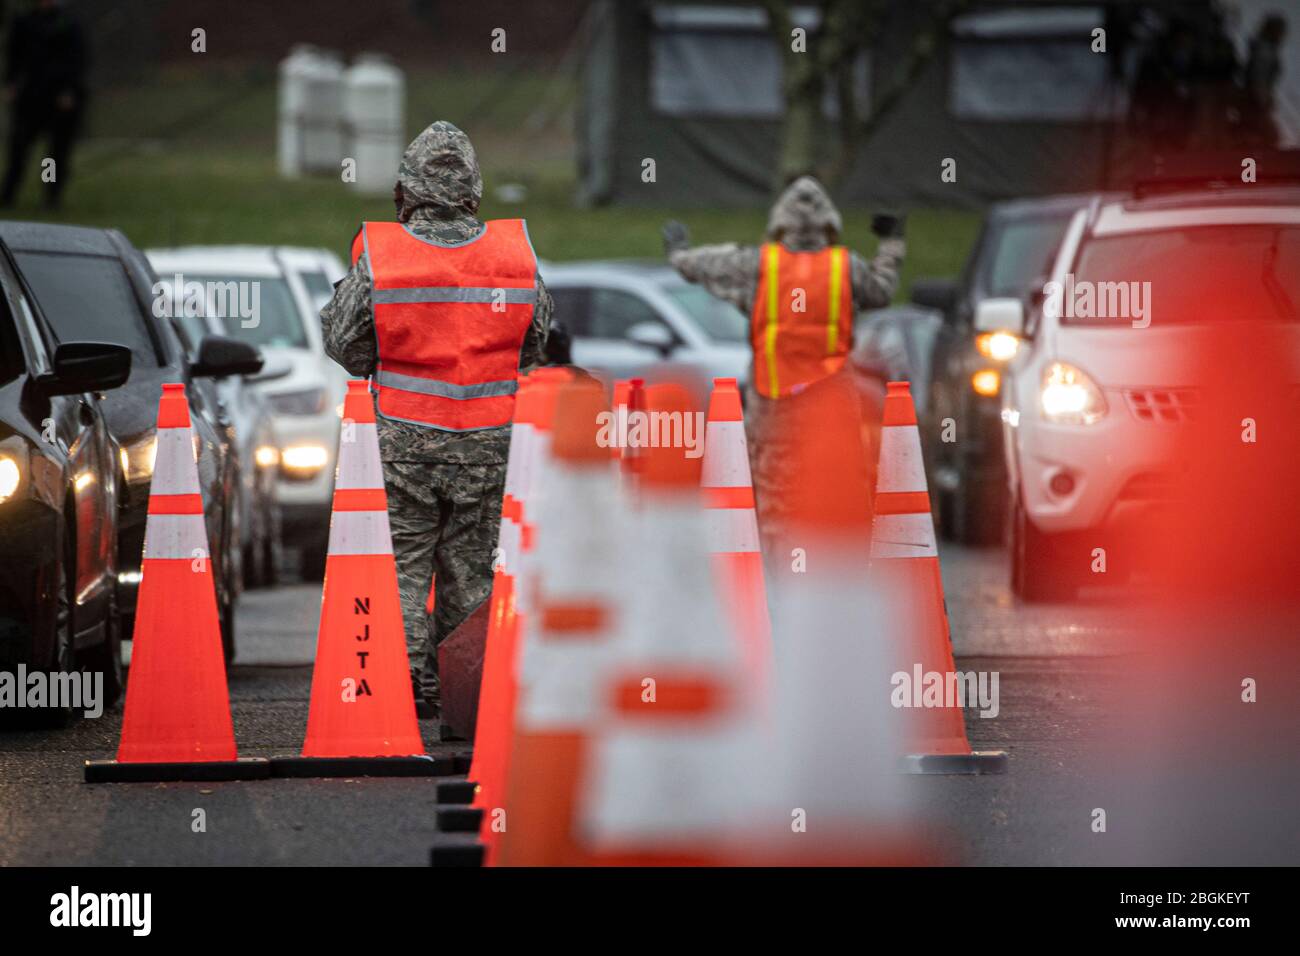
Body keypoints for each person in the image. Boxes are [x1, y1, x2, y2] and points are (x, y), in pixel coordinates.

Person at [321, 120, 551, 720]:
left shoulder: (383, 252)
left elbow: (347, 348)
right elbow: (534, 345)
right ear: (474, 188)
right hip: (490, 447)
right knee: (474, 579)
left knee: (399, 574)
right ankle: (466, 704)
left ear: (405, 191)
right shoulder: (513, 253)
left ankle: (395, 702)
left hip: (403, 447)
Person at [663, 175, 904, 561]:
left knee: (774, 486)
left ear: (780, 222)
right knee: (835, 477)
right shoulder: (846, 266)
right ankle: (834, 565)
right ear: (830, 222)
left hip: (773, 394)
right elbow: (882, 290)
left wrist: (678, 253)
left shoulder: (761, 263)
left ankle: (778, 563)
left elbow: (706, 266)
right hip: (832, 395)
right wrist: (892, 244)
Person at [1, 0, 87, 209]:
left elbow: (77, 60)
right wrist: (11, 83)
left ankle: (50, 197)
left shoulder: (68, 23)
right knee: (19, 148)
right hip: (31, 97)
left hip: (58, 99)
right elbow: (15, 56)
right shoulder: (25, 22)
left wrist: (69, 90)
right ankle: (8, 194)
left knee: (53, 155)